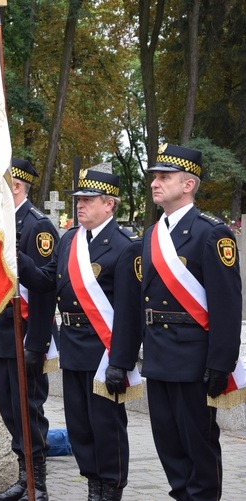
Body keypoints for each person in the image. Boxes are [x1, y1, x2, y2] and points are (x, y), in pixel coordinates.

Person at [18, 169, 142, 501]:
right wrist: (15, 260)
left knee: (107, 428)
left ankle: (110, 489)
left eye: (88, 200)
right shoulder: (70, 239)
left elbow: (131, 312)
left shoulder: (126, 246)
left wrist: (121, 361)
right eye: (78, 201)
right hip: (73, 347)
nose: (80, 206)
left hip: (104, 352)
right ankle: (93, 488)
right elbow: (46, 280)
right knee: (81, 428)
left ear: (109, 204)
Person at [140, 144, 241, 501]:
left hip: (193, 361)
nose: (155, 182)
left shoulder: (211, 233)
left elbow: (227, 306)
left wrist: (221, 364)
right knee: (168, 445)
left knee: (198, 448)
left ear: (188, 185)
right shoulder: (152, 235)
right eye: (154, 176)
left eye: (164, 177)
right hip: (158, 357)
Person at [0, 159, 58, 501]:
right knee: (9, 410)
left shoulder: (37, 227)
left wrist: (37, 343)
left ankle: (36, 484)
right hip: (0, 331)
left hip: (25, 333)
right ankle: (22, 476)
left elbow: (46, 287)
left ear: (16, 186)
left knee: (28, 410)